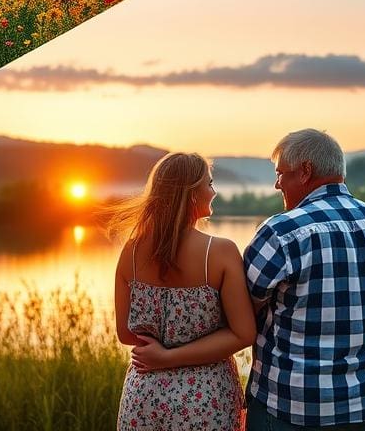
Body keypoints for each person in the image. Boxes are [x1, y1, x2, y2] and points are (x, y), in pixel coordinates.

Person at [242, 129, 365, 430]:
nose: (277, 183)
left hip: (290, 409)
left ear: (305, 171)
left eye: (281, 173)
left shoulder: (281, 232)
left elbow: (241, 311)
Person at [109, 152, 256, 431]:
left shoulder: (131, 250)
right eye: (209, 184)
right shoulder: (220, 252)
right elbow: (244, 334)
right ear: (191, 195)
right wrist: (172, 356)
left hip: (144, 397)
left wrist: (161, 354)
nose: (214, 192)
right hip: (205, 399)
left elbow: (125, 333)